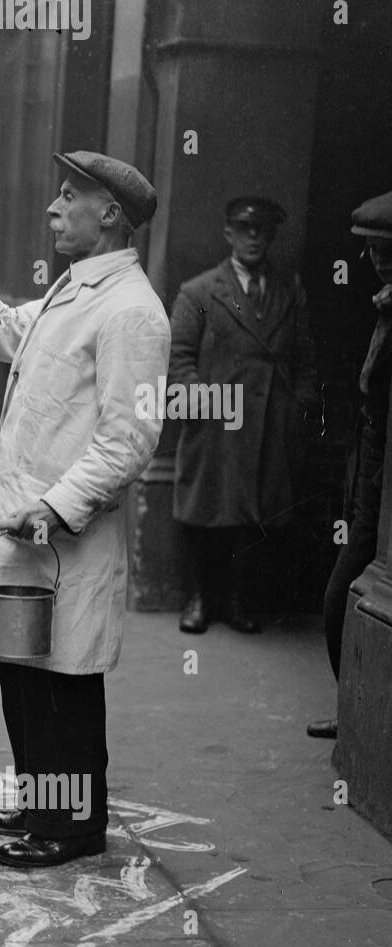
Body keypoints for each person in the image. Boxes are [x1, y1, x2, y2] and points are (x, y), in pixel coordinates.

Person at [0, 151, 170, 868]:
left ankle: (71, 827)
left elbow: (131, 439)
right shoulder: (74, 291)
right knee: (24, 669)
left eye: (69, 197)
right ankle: (41, 800)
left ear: (112, 215)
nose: (54, 209)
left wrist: (58, 507)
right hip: (21, 532)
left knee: (62, 681)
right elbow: (1, 330)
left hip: (62, 534)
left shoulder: (131, 313)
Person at [168, 197, 320, 634]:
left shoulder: (289, 291)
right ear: (228, 234)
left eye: (262, 231)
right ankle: (198, 598)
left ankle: (236, 600)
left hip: (270, 421)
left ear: (271, 237)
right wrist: (200, 404)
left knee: (255, 516)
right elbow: (178, 359)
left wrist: (297, 407)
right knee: (206, 510)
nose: (253, 237)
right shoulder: (199, 292)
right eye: (244, 229)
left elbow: (306, 359)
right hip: (216, 422)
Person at [307, 191, 392, 740]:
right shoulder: (384, 303)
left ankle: (359, 716)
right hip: (368, 466)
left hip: (383, 480)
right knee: (341, 590)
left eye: (380, 249)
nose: (370, 260)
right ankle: (354, 711)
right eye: (369, 251)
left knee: (341, 595)